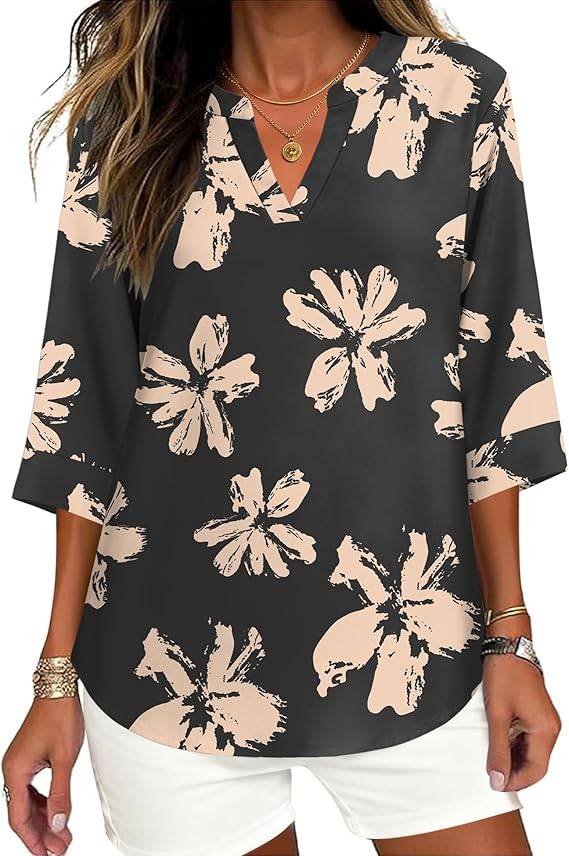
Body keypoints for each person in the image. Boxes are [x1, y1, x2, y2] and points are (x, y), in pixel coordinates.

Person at [3, 2, 566, 855]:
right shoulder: (130, 115)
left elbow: (497, 385)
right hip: (168, 668)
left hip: (416, 643)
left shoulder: (456, 95)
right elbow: (81, 402)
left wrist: (510, 635)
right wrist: (54, 677)